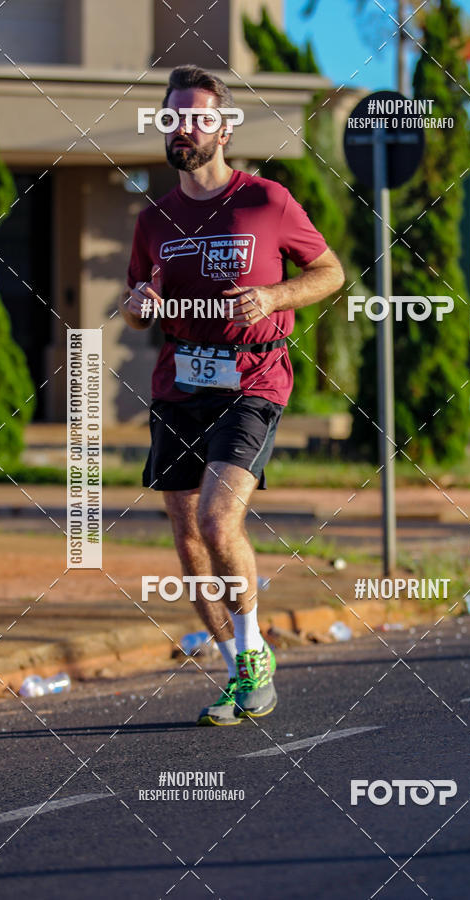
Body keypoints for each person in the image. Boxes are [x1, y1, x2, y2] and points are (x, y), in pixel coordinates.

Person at [120, 65, 344, 726]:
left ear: (223, 127)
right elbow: (137, 308)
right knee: (190, 542)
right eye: (173, 117)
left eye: (196, 116)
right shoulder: (153, 218)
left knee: (220, 522)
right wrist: (137, 306)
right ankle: (237, 666)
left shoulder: (266, 202)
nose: (182, 127)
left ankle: (255, 657)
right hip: (179, 383)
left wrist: (275, 295)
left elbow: (329, 271)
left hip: (253, 379)